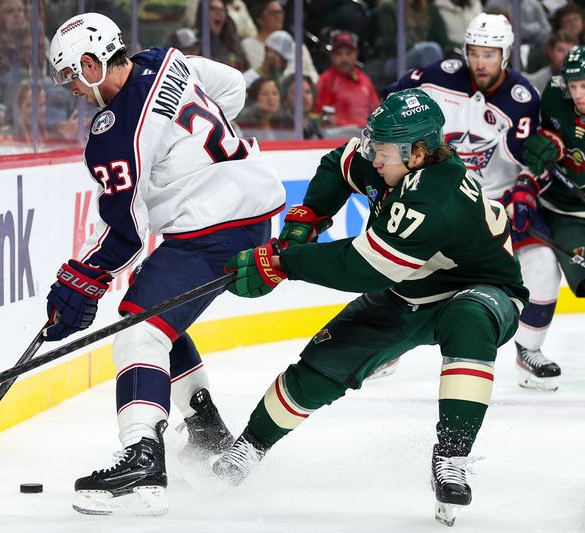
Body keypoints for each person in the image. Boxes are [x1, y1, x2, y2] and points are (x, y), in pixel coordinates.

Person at [212, 88, 528, 528]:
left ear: (418, 152)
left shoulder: (434, 197)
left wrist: (285, 262)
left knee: (468, 318)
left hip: (480, 289)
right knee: (320, 366)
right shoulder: (393, 159)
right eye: (374, 145)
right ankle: (250, 446)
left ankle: (452, 455)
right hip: (408, 289)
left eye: (383, 151)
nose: (374, 159)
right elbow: (339, 162)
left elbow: (364, 268)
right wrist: (309, 217)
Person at [48, 12, 285, 516]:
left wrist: (81, 279)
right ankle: (205, 433)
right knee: (151, 313)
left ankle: (142, 456)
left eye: (71, 74)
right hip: (249, 209)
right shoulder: (166, 60)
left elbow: (127, 232)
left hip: (212, 228)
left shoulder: (114, 129)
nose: (69, 86)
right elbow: (234, 88)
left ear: (92, 64)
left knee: (139, 331)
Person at [384, 13, 557, 391]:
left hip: (497, 205)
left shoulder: (522, 98)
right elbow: (390, 106)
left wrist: (526, 191)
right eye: (474, 53)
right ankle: (386, 345)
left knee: (543, 265)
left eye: (490, 55)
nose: (480, 62)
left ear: (506, 55)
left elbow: (533, 161)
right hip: (441, 201)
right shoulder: (437, 76)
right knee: (398, 264)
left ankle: (528, 351)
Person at [514, 45, 585, 387]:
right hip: (565, 211)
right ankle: (528, 349)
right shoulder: (555, 94)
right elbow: (541, 142)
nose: (580, 94)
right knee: (544, 272)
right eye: (576, 86)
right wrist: (551, 143)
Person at [314, 31, 380, 131]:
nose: (344, 58)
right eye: (339, 54)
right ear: (332, 56)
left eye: (348, 53)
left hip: (365, 138)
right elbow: (320, 118)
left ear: (356, 54)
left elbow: (377, 113)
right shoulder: (326, 79)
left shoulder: (365, 79)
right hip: (337, 139)